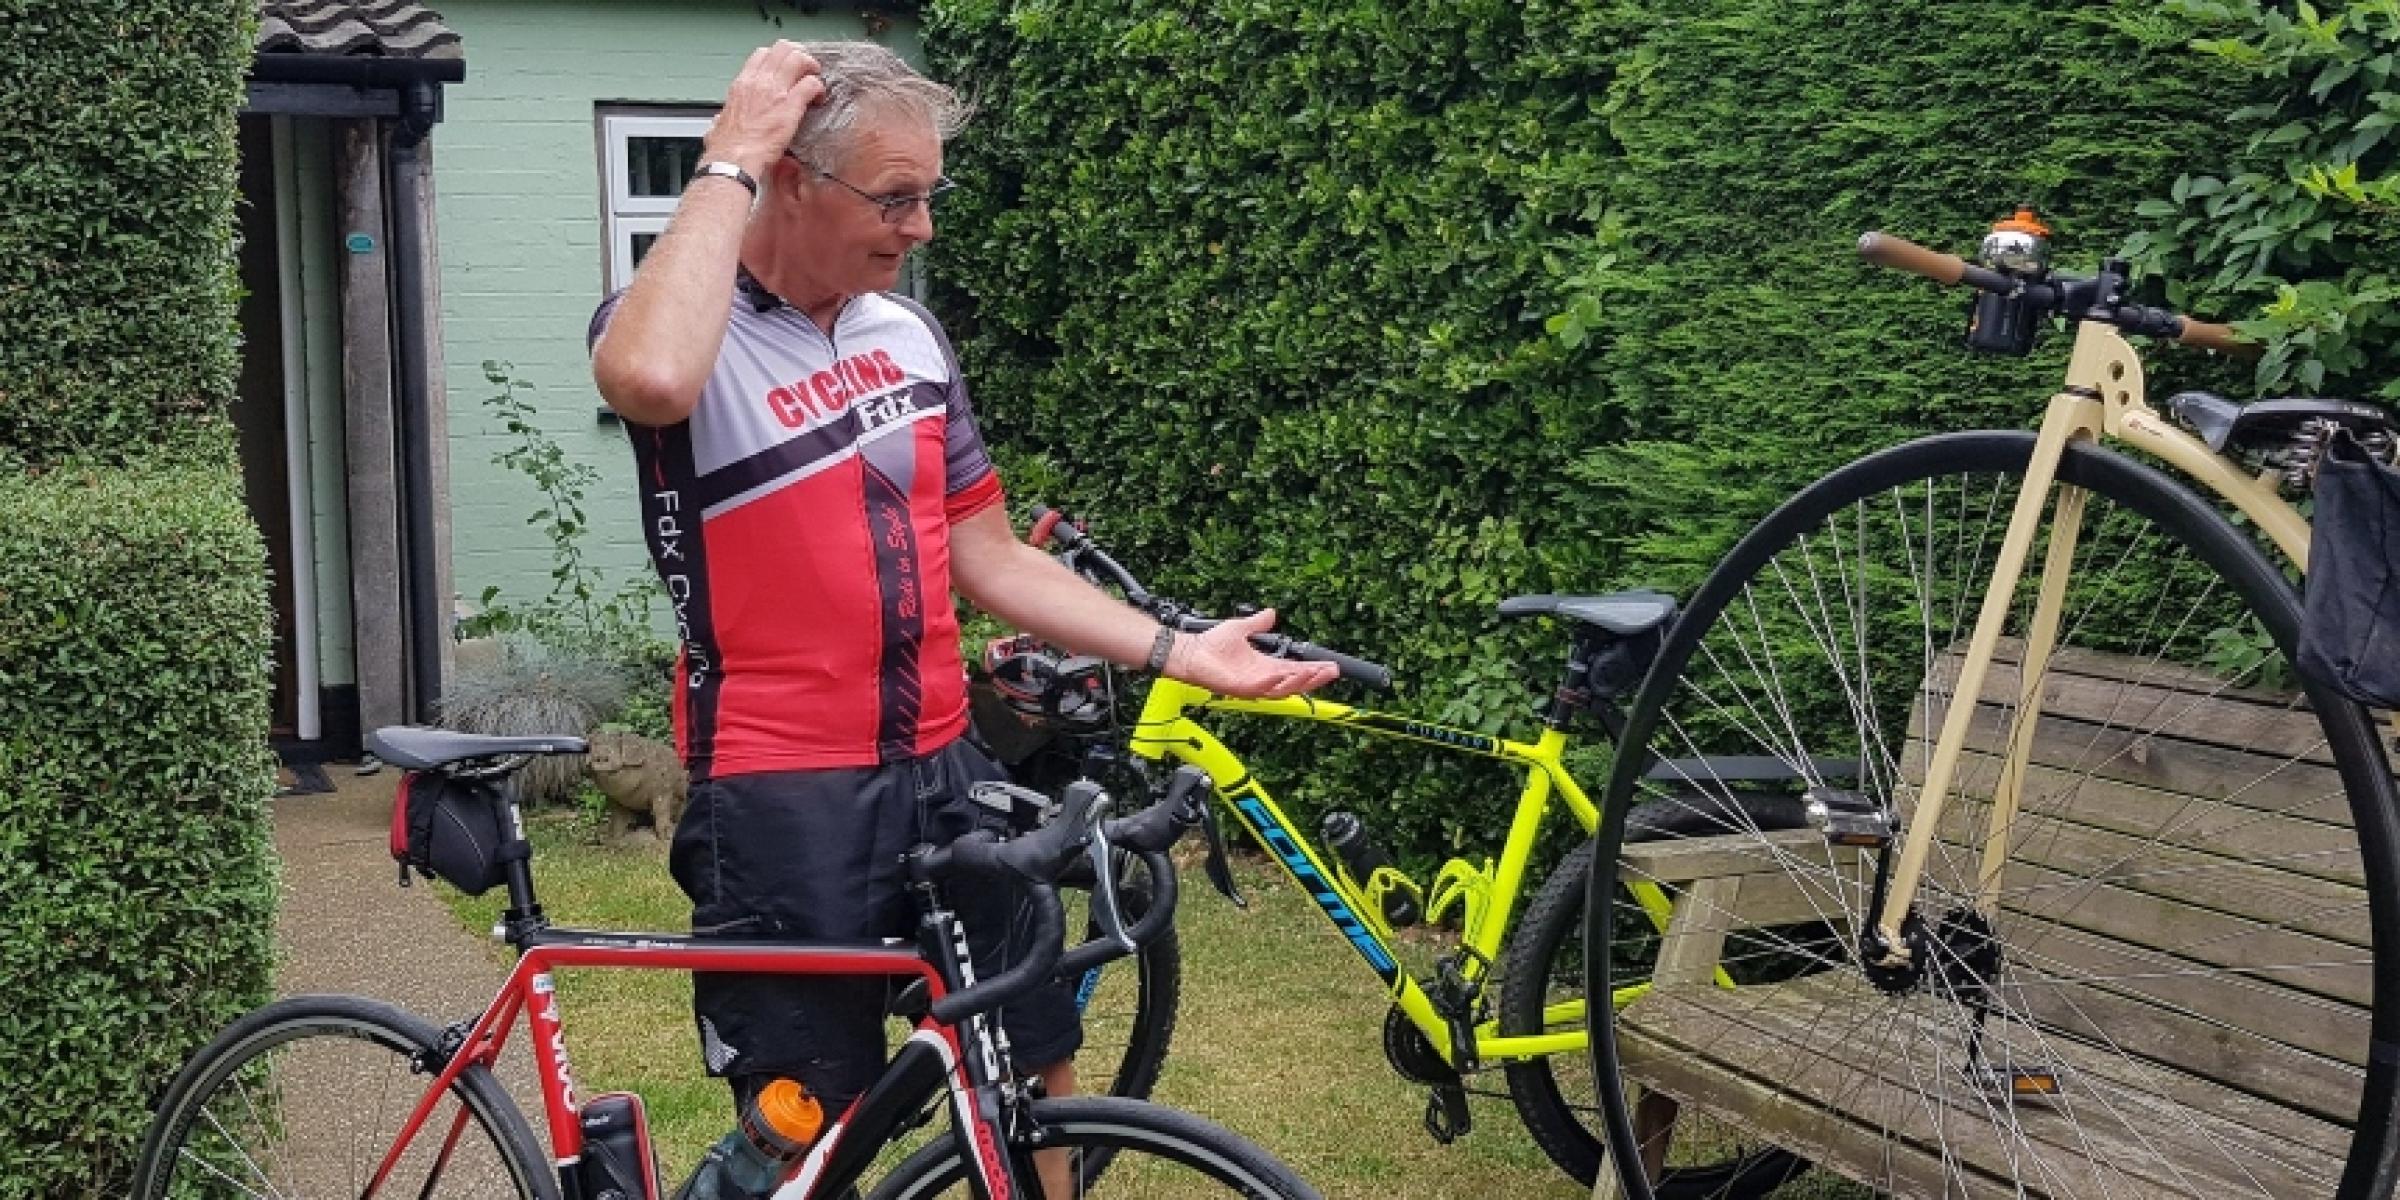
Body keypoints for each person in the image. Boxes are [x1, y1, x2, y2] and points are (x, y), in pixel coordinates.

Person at [588, 39, 1339, 1198]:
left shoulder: (907, 335)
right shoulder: (688, 326)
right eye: (895, 198)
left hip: (947, 767)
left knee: (1037, 1067)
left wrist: (1179, 650)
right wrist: (730, 151)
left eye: (930, 193)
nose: (922, 225)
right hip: (784, 793)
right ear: (791, 178)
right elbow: (645, 380)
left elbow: (983, 551)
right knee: (812, 1131)